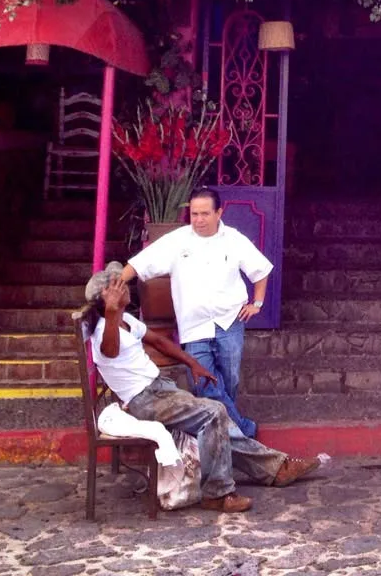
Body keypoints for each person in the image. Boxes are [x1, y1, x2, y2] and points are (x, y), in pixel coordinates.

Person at [82, 263, 321, 513]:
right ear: (109, 297)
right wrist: (110, 312)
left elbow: (159, 341)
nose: (127, 288)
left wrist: (193, 363)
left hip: (159, 389)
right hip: (143, 401)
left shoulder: (126, 320)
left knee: (221, 421)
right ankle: (217, 493)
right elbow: (109, 352)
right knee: (212, 413)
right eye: (120, 286)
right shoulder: (104, 332)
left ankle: (275, 469)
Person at [115, 188, 268, 439]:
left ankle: (225, 434)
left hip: (230, 321)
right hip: (194, 326)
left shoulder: (234, 239)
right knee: (203, 383)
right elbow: (141, 262)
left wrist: (257, 304)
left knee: (229, 381)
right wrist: (114, 286)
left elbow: (260, 271)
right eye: (194, 214)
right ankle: (242, 431)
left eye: (205, 214)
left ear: (219, 213)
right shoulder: (178, 240)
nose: (198, 220)